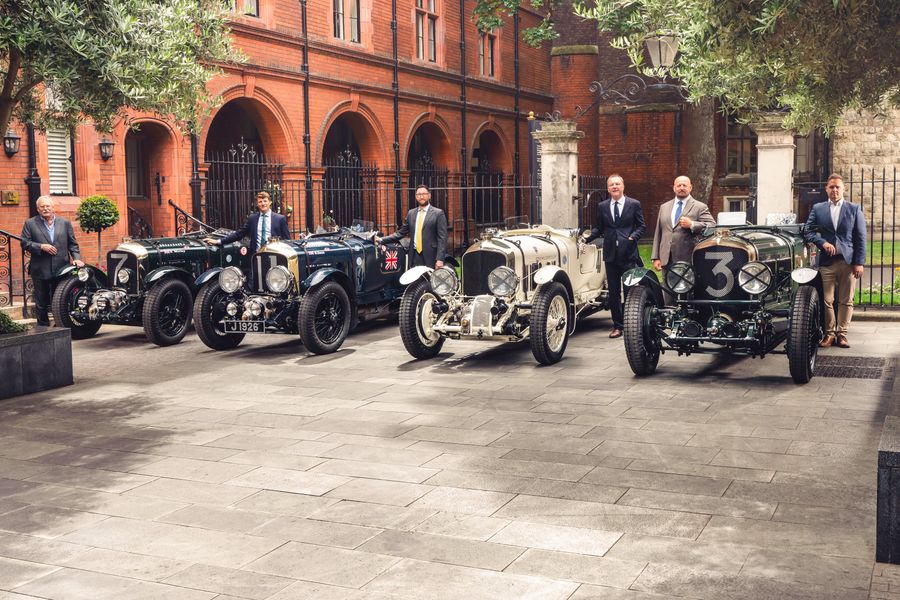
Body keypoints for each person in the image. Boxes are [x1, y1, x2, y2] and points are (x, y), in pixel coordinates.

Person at [804, 173, 866, 348]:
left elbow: (860, 238)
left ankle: (842, 334)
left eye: (838, 186)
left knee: (846, 300)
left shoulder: (854, 209)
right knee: (827, 300)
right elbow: (807, 231)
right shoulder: (818, 208)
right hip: (827, 263)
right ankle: (829, 334)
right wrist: (822, 242)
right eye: (831, 187)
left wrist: (859, 262)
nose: (835, 190)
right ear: (826, 189)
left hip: (848, 262)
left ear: (843, 188)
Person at [584, 174, 645, 338]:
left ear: (623, 186)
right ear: (608, 188)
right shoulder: (603, 206)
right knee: (613, 292)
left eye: (617, 184)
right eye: (611, 185)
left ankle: (632, 324)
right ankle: (618, 326)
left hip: (628, 254)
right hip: (610, 255)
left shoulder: (634, 204)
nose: (614, 187)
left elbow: (641, 226)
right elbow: (599, 228)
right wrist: (586, 237)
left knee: (630, 290)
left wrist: (632, 237)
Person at [20, 196, 84, 326]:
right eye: (42, 207)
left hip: (61, 269)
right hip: (40, 268)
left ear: (53, 208)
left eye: (48, 206)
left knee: (60, 301)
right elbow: (24, 243)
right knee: (41, 303)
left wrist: (76, 259)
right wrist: (40, 246)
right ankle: (43, 330)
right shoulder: (30, 223)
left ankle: (61, 327)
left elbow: (73, 244)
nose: (45, 209)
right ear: (38, 209)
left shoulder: (64, 223)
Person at [651, 176, 716, 301]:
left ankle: (688, 319)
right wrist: (656, 257)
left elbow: (713, 226)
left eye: (684, 185)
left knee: (687, 292)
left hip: (688, 258)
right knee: (669, 294)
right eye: (679, 185)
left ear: (690, 187)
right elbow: (659, 232)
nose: (681, 188)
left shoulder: (699, 206)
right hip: (667, 259)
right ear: (674, 188)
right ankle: (670, 317)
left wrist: (692, 224)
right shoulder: (664, 207)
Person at [376, 185, 448, 269]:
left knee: (430, 281)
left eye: (424, 194)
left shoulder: (438, 213)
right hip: (414, 256)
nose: (421, 196)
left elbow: (442, 238)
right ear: (416, 196)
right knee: (416, 281)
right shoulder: (411, 213)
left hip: (432, 256)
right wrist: (381, 239)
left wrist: (440, 259)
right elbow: (400, 233)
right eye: (419, 194)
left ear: (429, 195)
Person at [205, 191, 290, 254]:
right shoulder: (252, 219)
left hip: (275, 256)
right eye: (260, 202)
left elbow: (287, 241)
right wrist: (218, 241)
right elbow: (239, 234)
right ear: (257, 204)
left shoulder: (280, 219)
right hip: (256, 256)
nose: (263, 204)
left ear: (270, 202)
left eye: (265, 201)